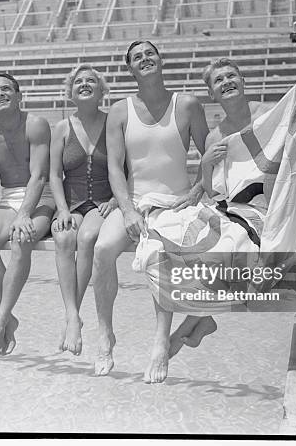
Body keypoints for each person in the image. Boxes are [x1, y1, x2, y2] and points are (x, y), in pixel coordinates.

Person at [166, 57, 296, 357]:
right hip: (240, 211)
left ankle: (192, 324)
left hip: (277, 207)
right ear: (212, 94)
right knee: (208, 251)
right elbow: (215, 188)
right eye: (219, 80)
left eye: (232, 75)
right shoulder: (217, 136)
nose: (226, 81)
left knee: (233, 253)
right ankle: (200, 322)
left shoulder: (271, 116)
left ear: (243, 82)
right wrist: (204, 164)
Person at [90, 41, 209, 382]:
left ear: (161, 59)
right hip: (135, 201)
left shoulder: (186, 104)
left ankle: (160, 341)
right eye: (137, 57)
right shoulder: (120, 110)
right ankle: (105, 334)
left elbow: (208, 155)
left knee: (161, 256)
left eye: (150, 53)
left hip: (175, 202)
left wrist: (198, 190)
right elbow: (114, 167)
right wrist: (126, 210)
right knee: (101, 249)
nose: (145, 59)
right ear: (130, 68)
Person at [0, 72, 55, 356]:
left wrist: (24, 214)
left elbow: (40, 175)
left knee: (23, 239)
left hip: (41, 196)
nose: (0, 94)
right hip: (9, 197)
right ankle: (7, 316)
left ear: (19, 95)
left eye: (6, 89)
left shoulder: (35, 124)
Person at [49, 64, 117, 356]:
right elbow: (53, 175)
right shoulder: (62, 128)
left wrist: (116, 200)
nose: (85, 84)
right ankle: (72, 314)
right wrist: (62, 209)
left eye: (91, 81)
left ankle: (71, 320)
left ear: (102, 91)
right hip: (71, 203)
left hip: (103, 202)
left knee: (88, 237)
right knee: (64, 238)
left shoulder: (114, 122)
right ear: (70, 92)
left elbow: (125, 168)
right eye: (79, 82)